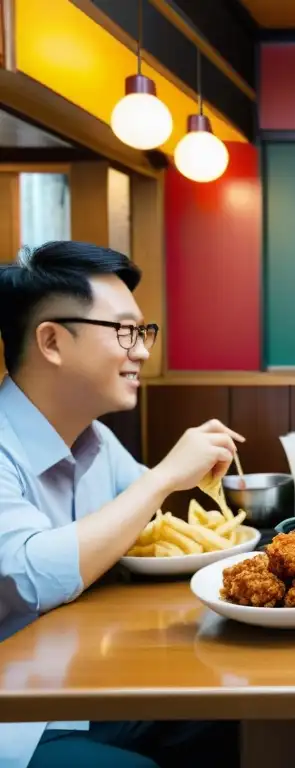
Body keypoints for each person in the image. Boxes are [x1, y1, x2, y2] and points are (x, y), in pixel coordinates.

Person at [0, 241, 242, 768]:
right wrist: (163, 478)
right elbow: (35, 575)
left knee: (232, 711)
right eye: (124, 331)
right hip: (17, 722)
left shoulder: (96, 442)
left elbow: (153, 529)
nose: (142, 351)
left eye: (143, 331)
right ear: (52, 341)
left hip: (91, 686)